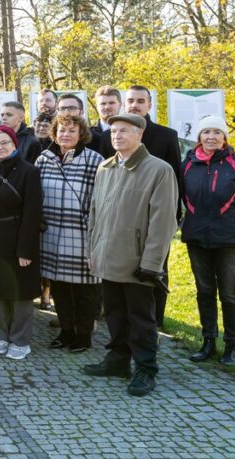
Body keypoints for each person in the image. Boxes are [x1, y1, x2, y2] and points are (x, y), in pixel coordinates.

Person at [84, 113, 178, 397]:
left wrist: (151, 263)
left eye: (124, 130)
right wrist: (93, 250)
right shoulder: (105, 168)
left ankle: (146, 368)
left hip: (138, 262)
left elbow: (164, 222)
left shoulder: (158, 170)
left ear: (140, 134)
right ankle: (117, 359)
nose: (117, 136)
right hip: (108, 256)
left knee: (141, 318)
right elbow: (95, 214)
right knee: (114, 313)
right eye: (113, 131)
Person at [180, 116, 235, 366]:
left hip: (230, 241)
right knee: (204, 291)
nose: (211, 137)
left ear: (225, 137)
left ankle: (231, 346)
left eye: (217, 132)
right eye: (206, 132)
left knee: (229, 295)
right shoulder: (187, 165)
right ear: (199, 137)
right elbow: (181, 197)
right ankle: (208, 341)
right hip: (197, 239)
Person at [35, 113, 104, 354]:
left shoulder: (94, 160)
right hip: (51, 234)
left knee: (85, 290)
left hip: (81, 234)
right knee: (60, 288)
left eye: (71, 130)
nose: (66, 134)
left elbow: (102, 199)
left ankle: (83, 336)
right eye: (62, 130)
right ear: (54, 133)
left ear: (81, 134)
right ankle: (66, 332)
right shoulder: (44, 159)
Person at [0, 125, 43, 361]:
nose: (0, 147)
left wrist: (26, 249)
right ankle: (2, 336)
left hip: (17, 236)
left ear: (15, 144)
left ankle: (20, 340)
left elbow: (32, 213)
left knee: (20, 291)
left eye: (5, 142)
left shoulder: (29, 172)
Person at [125, 85, 182, 328]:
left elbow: (177, 179)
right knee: (125, 268)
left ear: (150, 105)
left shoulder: (166, 135)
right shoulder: (116, 134)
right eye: (131, 101)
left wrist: (173, 217)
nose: (135, 105)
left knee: (156, 267)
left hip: (156, 216)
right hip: (124, 215)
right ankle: (128, 317)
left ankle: (156, 321)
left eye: (141, 100)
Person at [92, 86, 122, 159]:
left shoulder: (130, 133)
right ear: (96, 107)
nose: (107, 107)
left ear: (120, 105)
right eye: (103, 103)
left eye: (111, 103)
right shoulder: (88, 135)